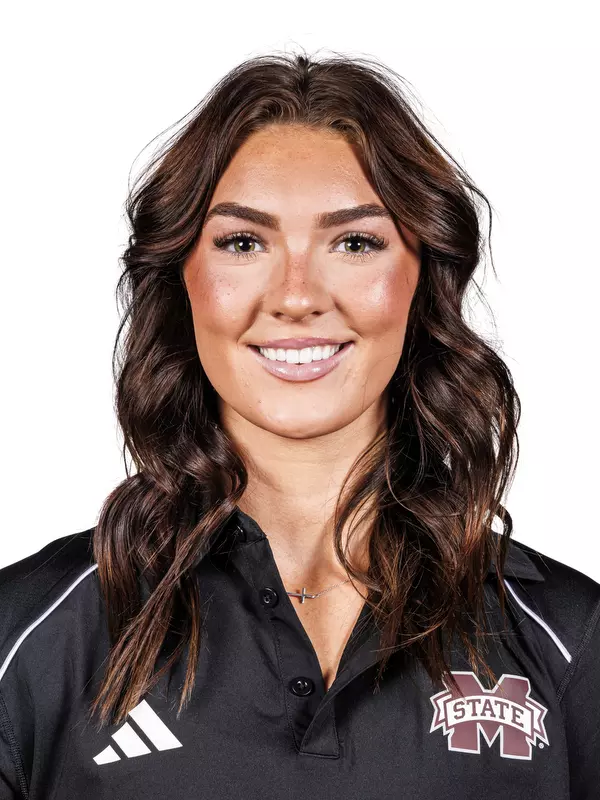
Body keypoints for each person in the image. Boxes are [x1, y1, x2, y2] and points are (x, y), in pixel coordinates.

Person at [0, 50, 598, 800]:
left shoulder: (571, 641)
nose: (296, 297)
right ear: (181, 277)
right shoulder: (27, 640)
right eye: (243, 242)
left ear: (423, 276)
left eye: (355, 242)